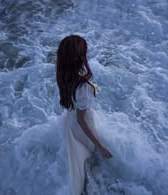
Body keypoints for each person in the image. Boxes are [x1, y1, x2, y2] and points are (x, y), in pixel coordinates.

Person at [56, 35, 113, 195]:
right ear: (79, 57)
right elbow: (82, 120)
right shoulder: (83, 85)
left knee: (77, 160)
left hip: (70, 120)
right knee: (88, 158)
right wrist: (100, 146)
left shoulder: (63, 74)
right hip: (82, 124)